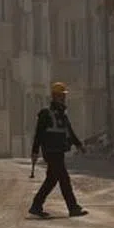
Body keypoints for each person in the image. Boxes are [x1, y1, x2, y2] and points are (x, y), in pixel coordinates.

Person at [29, 82, 88, 219]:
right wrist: (35, 151)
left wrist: (79, 145)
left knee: (52, 180)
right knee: (64, 179)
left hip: (58, 151)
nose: (63, 98)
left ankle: (36, 205)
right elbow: (39, 134)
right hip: (51, 152)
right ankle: (73, 208)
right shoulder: (46, 114)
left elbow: (70, 132)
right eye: (61, 96)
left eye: (64, 96)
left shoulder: (62, 115)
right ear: (55, 96)